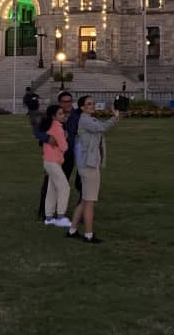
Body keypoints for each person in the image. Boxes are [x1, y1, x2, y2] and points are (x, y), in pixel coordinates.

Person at [66, 95, 120, 244]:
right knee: (90, 201)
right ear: (82, 107)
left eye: (93, 103)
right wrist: (114, 117)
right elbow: (102, 127)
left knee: (85, 199)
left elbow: (100, 128)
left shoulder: (89, 119)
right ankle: (88, 235)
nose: (92, 106)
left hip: (88, 163)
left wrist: (113, 118)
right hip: (88, 165)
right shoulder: (85, 119)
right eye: (89, 104)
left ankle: (72, 230)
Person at [37, 90, 81, 220]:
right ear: (59, 102)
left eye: (69, 101)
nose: (67, 104)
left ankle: (57, 212)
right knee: (50, 185)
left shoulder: (76, 116)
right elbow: (41, 134)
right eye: (64, 101)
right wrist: (47, 139)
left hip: (68, 157)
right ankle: (45, 213)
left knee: (61, 183)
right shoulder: (53, 116)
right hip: (53, 157)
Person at [39, 104, 71, 228]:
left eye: (63, 113)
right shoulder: (57, 127)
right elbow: (64, 147)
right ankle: (61, 217)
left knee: (52, 190)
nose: (63, 116)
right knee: (64, 188)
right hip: (53, 162)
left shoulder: (49, 125)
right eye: (60, 114)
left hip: (50, 161)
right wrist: (65, 138)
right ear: (53, 116)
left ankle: (49, 217)